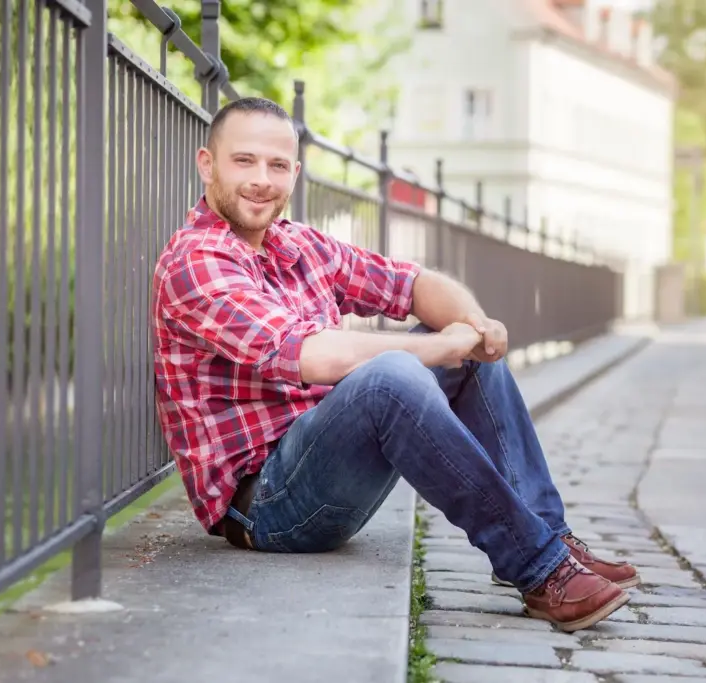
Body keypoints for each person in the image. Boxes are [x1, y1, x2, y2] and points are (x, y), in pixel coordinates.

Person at [150, 97, 639, 632]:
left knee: (463, 351)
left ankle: (550, 539)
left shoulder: (298, 245)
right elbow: (310, 355)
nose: (262, 180)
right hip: (265, 508)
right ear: (207, 164)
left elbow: (412, 286)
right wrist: (439, 347)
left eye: (278, 164)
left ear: (295, 171)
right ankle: (539, 569)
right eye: (243, 161)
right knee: (393, 374)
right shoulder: (196, 262)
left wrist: (476, 326)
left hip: (328, 467)